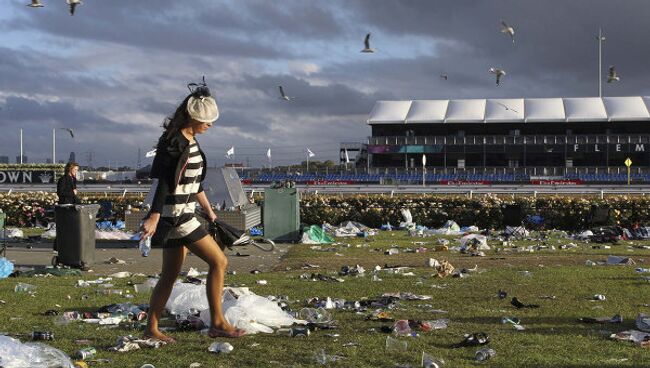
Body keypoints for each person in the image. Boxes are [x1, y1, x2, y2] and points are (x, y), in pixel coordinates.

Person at [141, 80, 245, 342]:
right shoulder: (174, 142)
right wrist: (154, 216)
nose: (210, 125)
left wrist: (209, 211)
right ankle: (218, 322)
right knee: (219, 261)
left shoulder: (189, 139)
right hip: (177, 217)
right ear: (193, 117)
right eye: (206, 120)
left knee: (169, 275)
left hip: (184, 213)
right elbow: (164, 181)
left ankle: (151, 328)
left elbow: (193, 183)